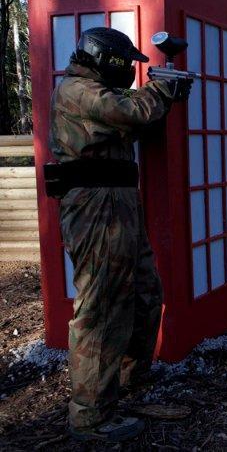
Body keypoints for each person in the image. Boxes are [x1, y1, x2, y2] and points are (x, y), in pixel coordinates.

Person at [46, 27, 192, 442]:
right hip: (95, 208)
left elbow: (130, 116)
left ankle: (124, 383)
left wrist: (159, 91)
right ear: (106, 60)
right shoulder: (77, 90)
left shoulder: (95, 91)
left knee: (146, 294)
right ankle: (91, 417)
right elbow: (129, 113)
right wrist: (161, 91)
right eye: (124, 62)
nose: (129, 69)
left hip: (119, 205)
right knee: (102, 307)